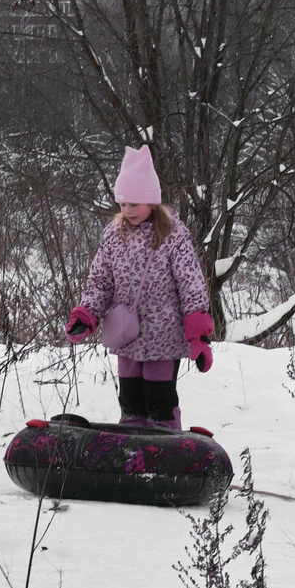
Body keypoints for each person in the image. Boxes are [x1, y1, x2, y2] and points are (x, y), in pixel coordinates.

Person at [62, 145, 214, 427]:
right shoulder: (114, 235)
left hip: (164, 338)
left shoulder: (173, 236)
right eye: (122, 204)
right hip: (127, 337)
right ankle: (131, 455)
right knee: (131, 405)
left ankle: (165, 451)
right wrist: (86, 314)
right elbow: (100, 281)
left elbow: (191, 287)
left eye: (134, 204)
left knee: (160, 403)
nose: (127, 210)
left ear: (152, 202)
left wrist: (199, 337)